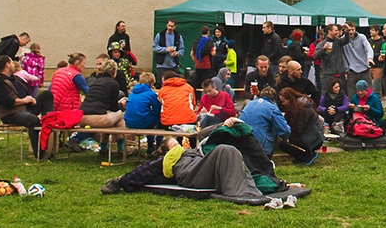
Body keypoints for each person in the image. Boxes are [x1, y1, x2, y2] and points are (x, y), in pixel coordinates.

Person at [100, 134, 265, 199]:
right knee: (224, 150)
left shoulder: (193, 151)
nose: (179, 147)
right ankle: (241, 192)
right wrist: (121, 181)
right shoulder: (169, 158)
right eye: (174, 146)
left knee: (231, 151)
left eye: (178, 143)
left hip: (202, 170)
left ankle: (249, 188)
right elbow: (147, 170)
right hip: (190, 175)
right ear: (167, 151)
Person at [0, 55, 54, 159]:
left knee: (47, 94)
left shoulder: (14, 79)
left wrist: (31, 99)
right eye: (12, 63)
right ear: (7, 65)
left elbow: (24, 93)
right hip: (11, 114)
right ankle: (40, 154)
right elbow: (5, 101)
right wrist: (23, 100)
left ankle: (49, 121)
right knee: (33, 120)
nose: (14, 65)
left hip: (25, 108)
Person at [80, 58, 127, 156]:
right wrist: (121, 104)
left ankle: (104, 147)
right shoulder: (113, 84)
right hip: (97, 118)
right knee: (119, 116)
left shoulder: (95, 82)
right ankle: (121, 148)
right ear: (114, 72)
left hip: (82, 117)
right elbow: (114, 108)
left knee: (112, 118)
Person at [239, 86, 291, 157]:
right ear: (273, 100)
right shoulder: (272, 108)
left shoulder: (249, 104)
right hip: (261, 144)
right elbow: (284, 130)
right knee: (263, 166)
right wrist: (285, 139)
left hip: (243, 140)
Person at [278, 87, 324, 165]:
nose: (283, 104)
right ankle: (302, 156)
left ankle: (308, 156)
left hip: (314, 138)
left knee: (284, 144)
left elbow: (299, 127)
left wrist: (285, 135)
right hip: (308, 136)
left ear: (290, 99)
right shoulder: (294, 108)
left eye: (284, 101)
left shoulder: (304, 108)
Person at [124, 72, 161, 156]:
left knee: (146, 117)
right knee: (156, 121)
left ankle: (152, 146)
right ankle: (152, 146)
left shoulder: (132, 93)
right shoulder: (151, 94)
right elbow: (157, 110)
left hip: (129, 122)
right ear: (152, 84)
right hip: (143, 122)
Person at [313, 23, 350, 92]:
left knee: (342, 93)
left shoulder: (338, 41)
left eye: (338, 31)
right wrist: (323, 49)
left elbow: (346, 40)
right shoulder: (322, 44)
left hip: (340, 73)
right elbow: (315, 56)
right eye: (335, 30)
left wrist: (347, 31)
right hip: (328, 74)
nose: (337, 32)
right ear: (329, 31)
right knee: (327, 93)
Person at [342, 21, 374, 97]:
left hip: (364, 69)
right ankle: (353, 108)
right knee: (351, 94)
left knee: (369, 92)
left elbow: (368, 49)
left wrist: (369, 58)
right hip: (352, 71)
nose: (351, 32)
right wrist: (346, 69)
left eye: (352, 29)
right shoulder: (343, 40)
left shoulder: (362, 37)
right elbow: (342, 56)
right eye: (349, 30)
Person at [152, 19, 184, 88]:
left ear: (175, 27)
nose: (170, 28)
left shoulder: (178, 37)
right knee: (161, 84)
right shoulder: (160, 35)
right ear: (166, 25)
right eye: (169, 26)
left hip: (173, 65)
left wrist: (177, 53)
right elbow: (154, 47)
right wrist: (165, 49)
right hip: (162, 65)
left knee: (174, 85)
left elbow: (182, 49)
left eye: (172, 26)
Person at [368, 25, 385, 96]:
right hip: (369, 67)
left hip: (378, 67)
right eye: (370, 30)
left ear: (377, 31)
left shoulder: (382, 42)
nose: (370, 32)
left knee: (376, 88)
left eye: (372, 30)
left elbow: (382, 54)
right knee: (368, 88)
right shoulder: (369, 41)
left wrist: (372, 55)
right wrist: (376, 55)